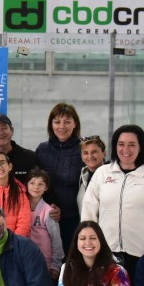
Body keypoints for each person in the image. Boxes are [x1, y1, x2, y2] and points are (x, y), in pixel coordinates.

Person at [81, 124, 144, 281]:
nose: (126, 149)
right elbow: (89, 211)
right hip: (107, 252)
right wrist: (88, 243)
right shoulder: (102, 173)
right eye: (121, 144)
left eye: (132, 144)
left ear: (141, 147)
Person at [35, 103, 85, 251]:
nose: (61, 126)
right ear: (51, 124)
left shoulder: (83, 149)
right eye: (57, 122)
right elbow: (36, 182)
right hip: (46, 216)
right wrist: (51, 205)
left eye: (67, 122)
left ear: (75, 124)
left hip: (74, 218)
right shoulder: (42, 149)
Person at [26, 168, 64, 281]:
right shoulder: (20, 208)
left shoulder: (48, 211)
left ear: (46, 188)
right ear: (26, 185)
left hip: (44, 263)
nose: (36, 187)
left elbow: (56, 239)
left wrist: (55, 265)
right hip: (25, 261)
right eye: (32, 183)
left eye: (40, 184)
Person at [76, 135, 107, 214]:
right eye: (85, 153)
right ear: (82, 157)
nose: (90, 156)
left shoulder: (112, 176)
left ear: (104, 153)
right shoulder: (82, 176)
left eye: (94, 152)